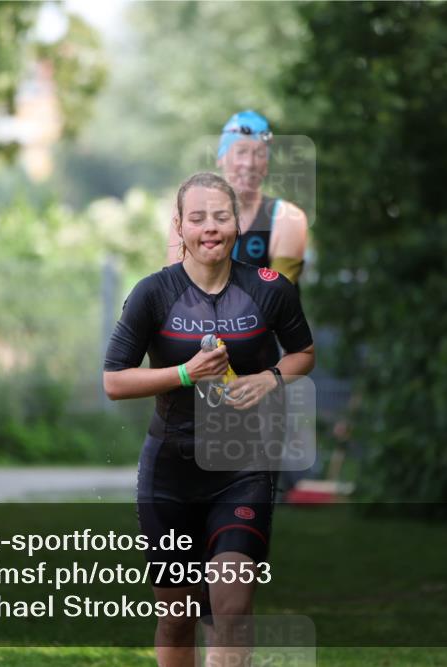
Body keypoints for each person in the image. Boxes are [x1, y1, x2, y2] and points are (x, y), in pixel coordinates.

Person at [104, 172, 315, 667]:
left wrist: (271, 378)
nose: (210, 228)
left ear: (238, 224)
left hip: (244, 465)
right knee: (177, 614)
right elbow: (114, 381)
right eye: (197, 218)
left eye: (220, 217)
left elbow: (303, 352)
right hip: (170, 470)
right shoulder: (153, 293)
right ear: (179, 227)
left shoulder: (271, 289)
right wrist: (183, 373)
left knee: (232, 604)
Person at [167, 110, 309, 286]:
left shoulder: (287, 219)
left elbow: (276, 299)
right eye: (241, 152)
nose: (249, 164)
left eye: (259, 154)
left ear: (266, 165)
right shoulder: (189, 212)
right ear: (221, 158)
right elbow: (177, 288)